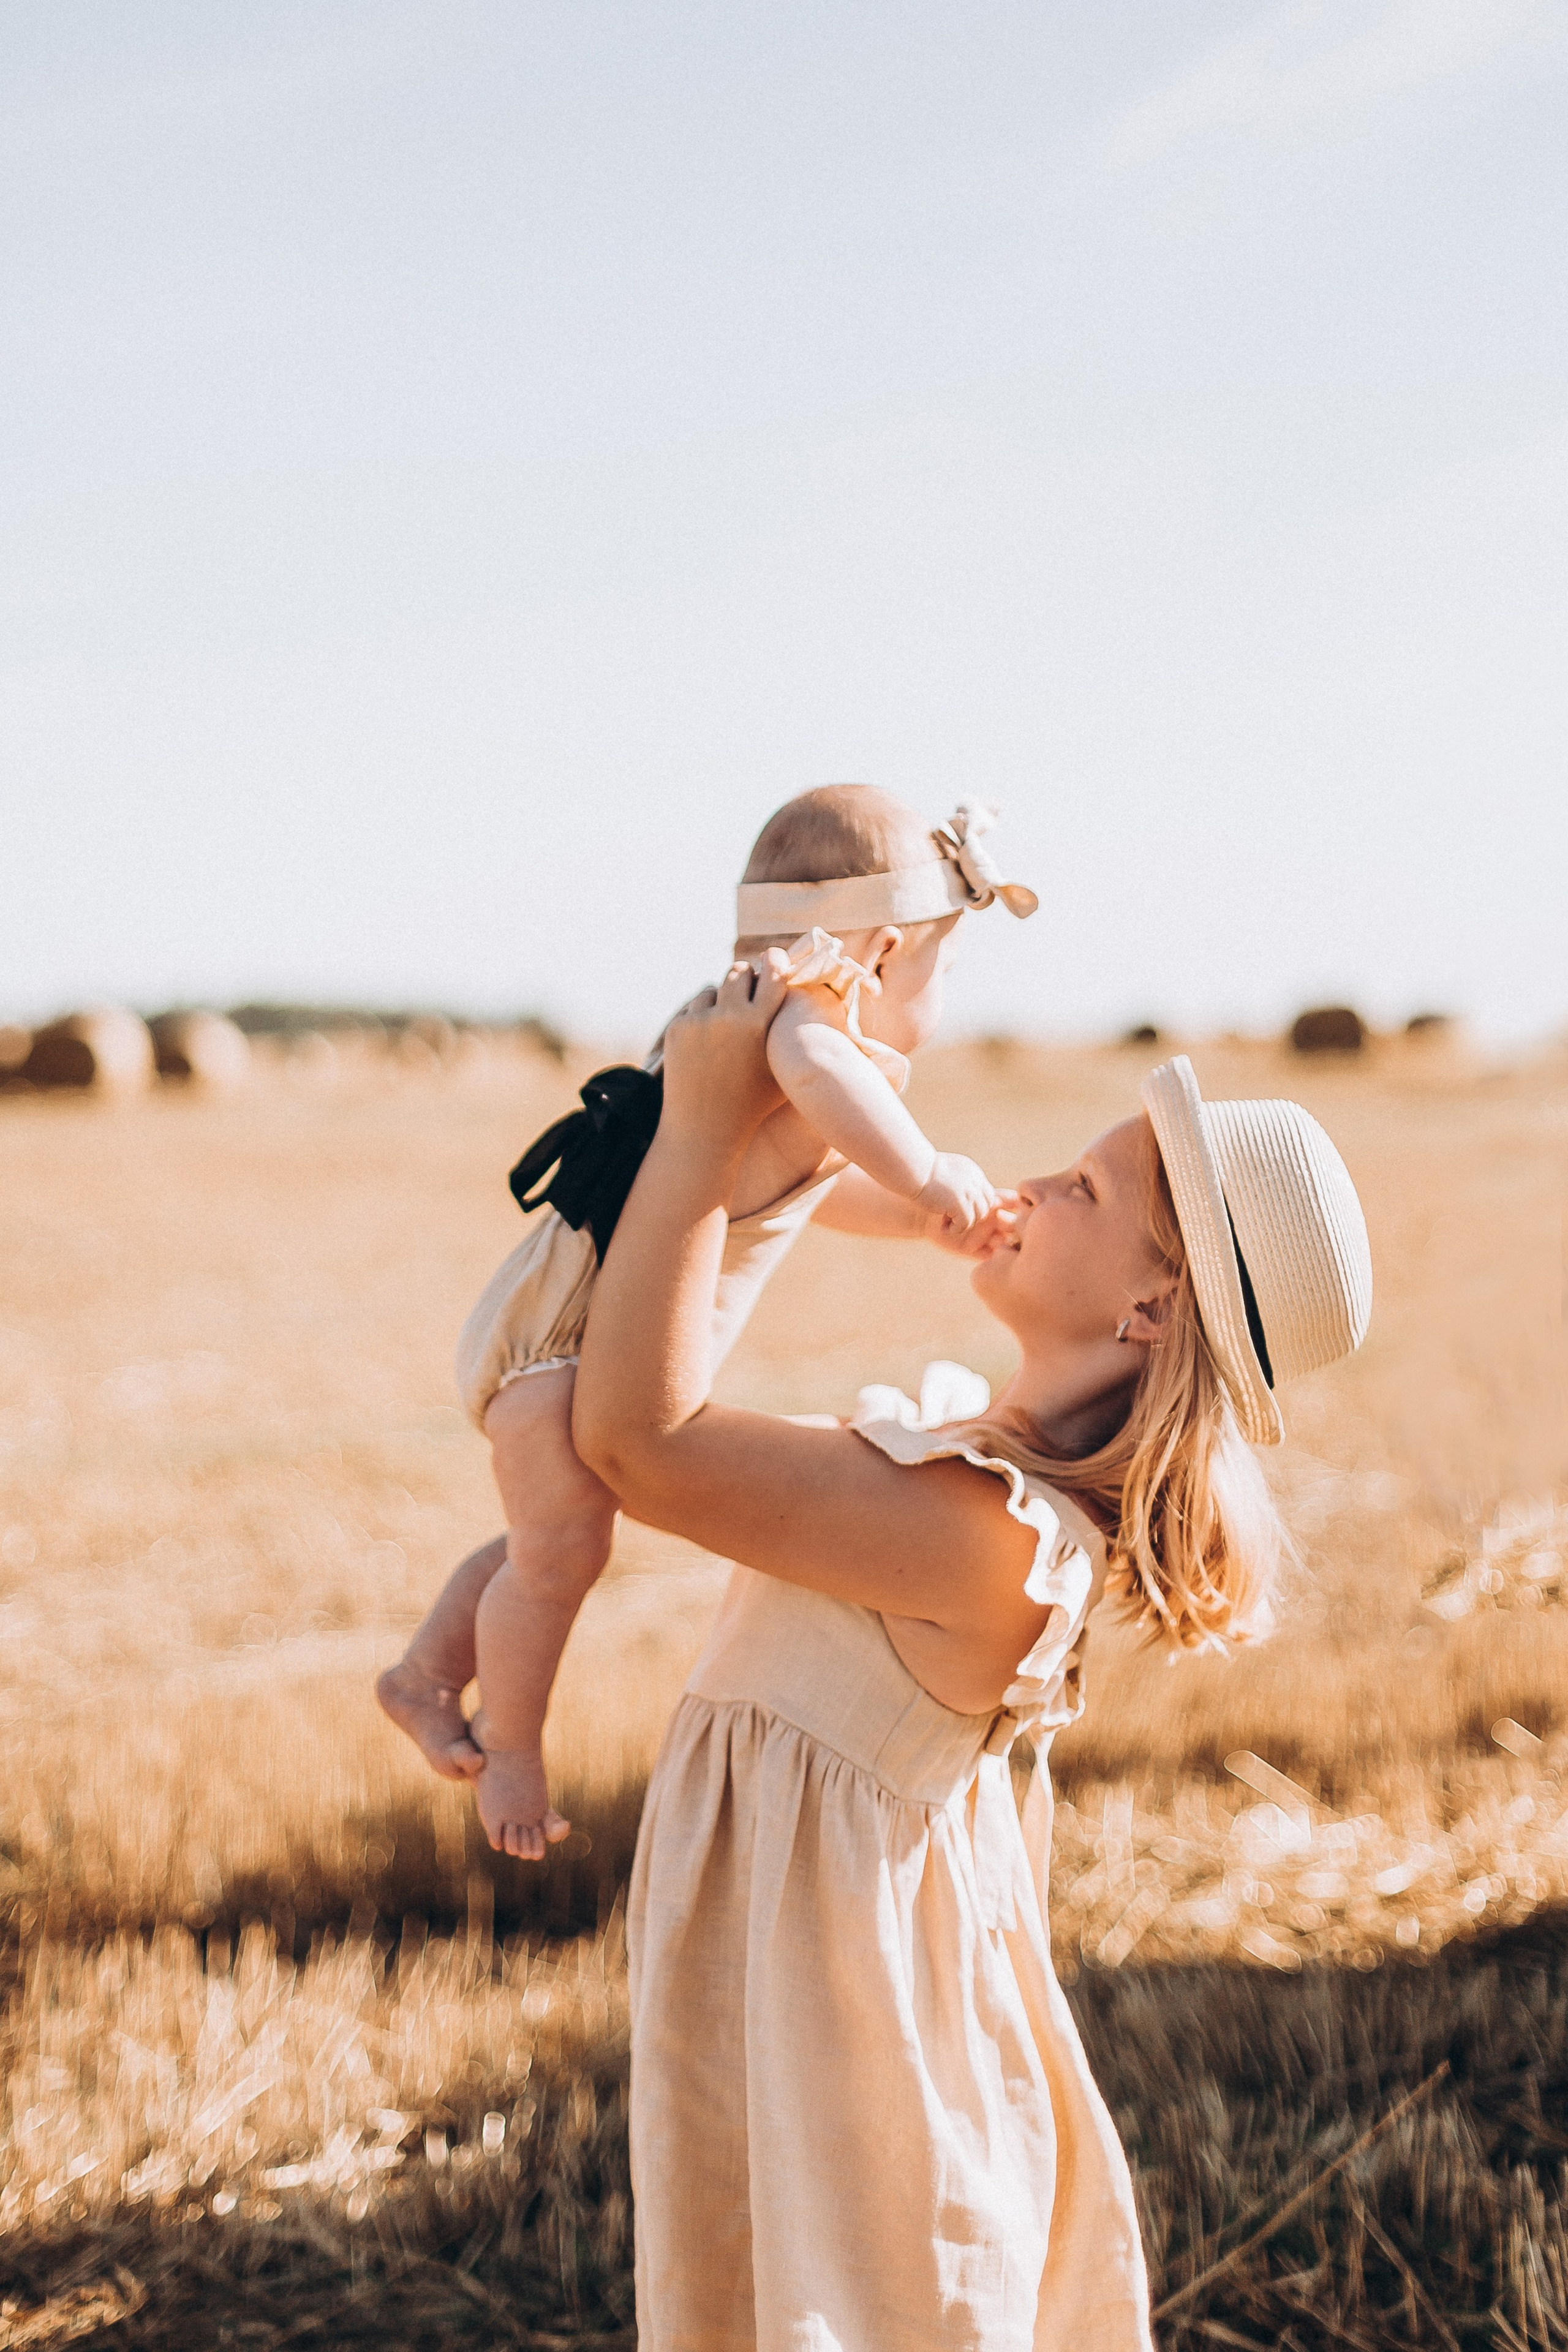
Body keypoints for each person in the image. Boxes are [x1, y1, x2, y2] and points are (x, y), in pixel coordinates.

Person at [571, 962, 1373, 2350]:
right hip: (792, 1998)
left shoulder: (988, 1543)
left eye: (1084, 1189)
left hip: (852, 2054)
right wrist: (795, 1120)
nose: (1036, 1186)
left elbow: (641, 1444)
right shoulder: (957, 1464)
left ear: (1145, 1313)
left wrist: (701, 1136)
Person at [377, 785, 1038, 1855]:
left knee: (545, 1538)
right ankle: (514, 1756)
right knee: (562, 1555)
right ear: (875, 952)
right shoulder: (802, 1027)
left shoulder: (760, 1034)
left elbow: (807, 1186)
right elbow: (832, 1087)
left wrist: (920, 1221)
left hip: (566, 1332)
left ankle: (422, 1675)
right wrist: (926, 1170)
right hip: (561, 1343)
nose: (943, 998)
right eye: (942, 969)